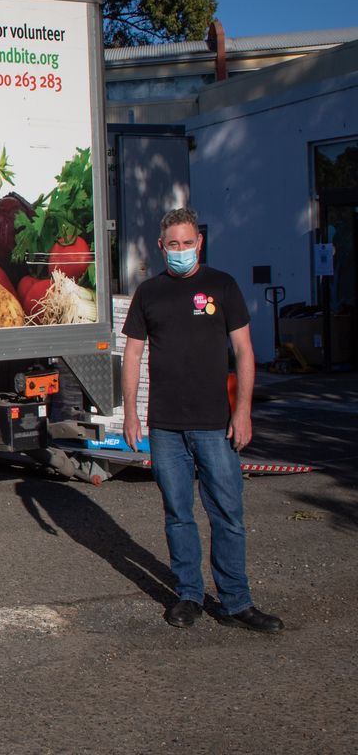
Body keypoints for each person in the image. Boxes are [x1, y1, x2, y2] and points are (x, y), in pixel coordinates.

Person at [122, 208, 282, 633]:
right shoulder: (148, 293)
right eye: (172, 244)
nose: (180, 251)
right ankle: (189, 595)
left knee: (227, 514)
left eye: (186, 243)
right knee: (178, 514)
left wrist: (243, 410)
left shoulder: (222, 286)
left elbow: (245, 351)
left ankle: (235, 602)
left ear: (199, 242)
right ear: (161, 247)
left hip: (216, 424)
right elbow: (133, 355)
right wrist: (132, 415)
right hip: (166, 427)